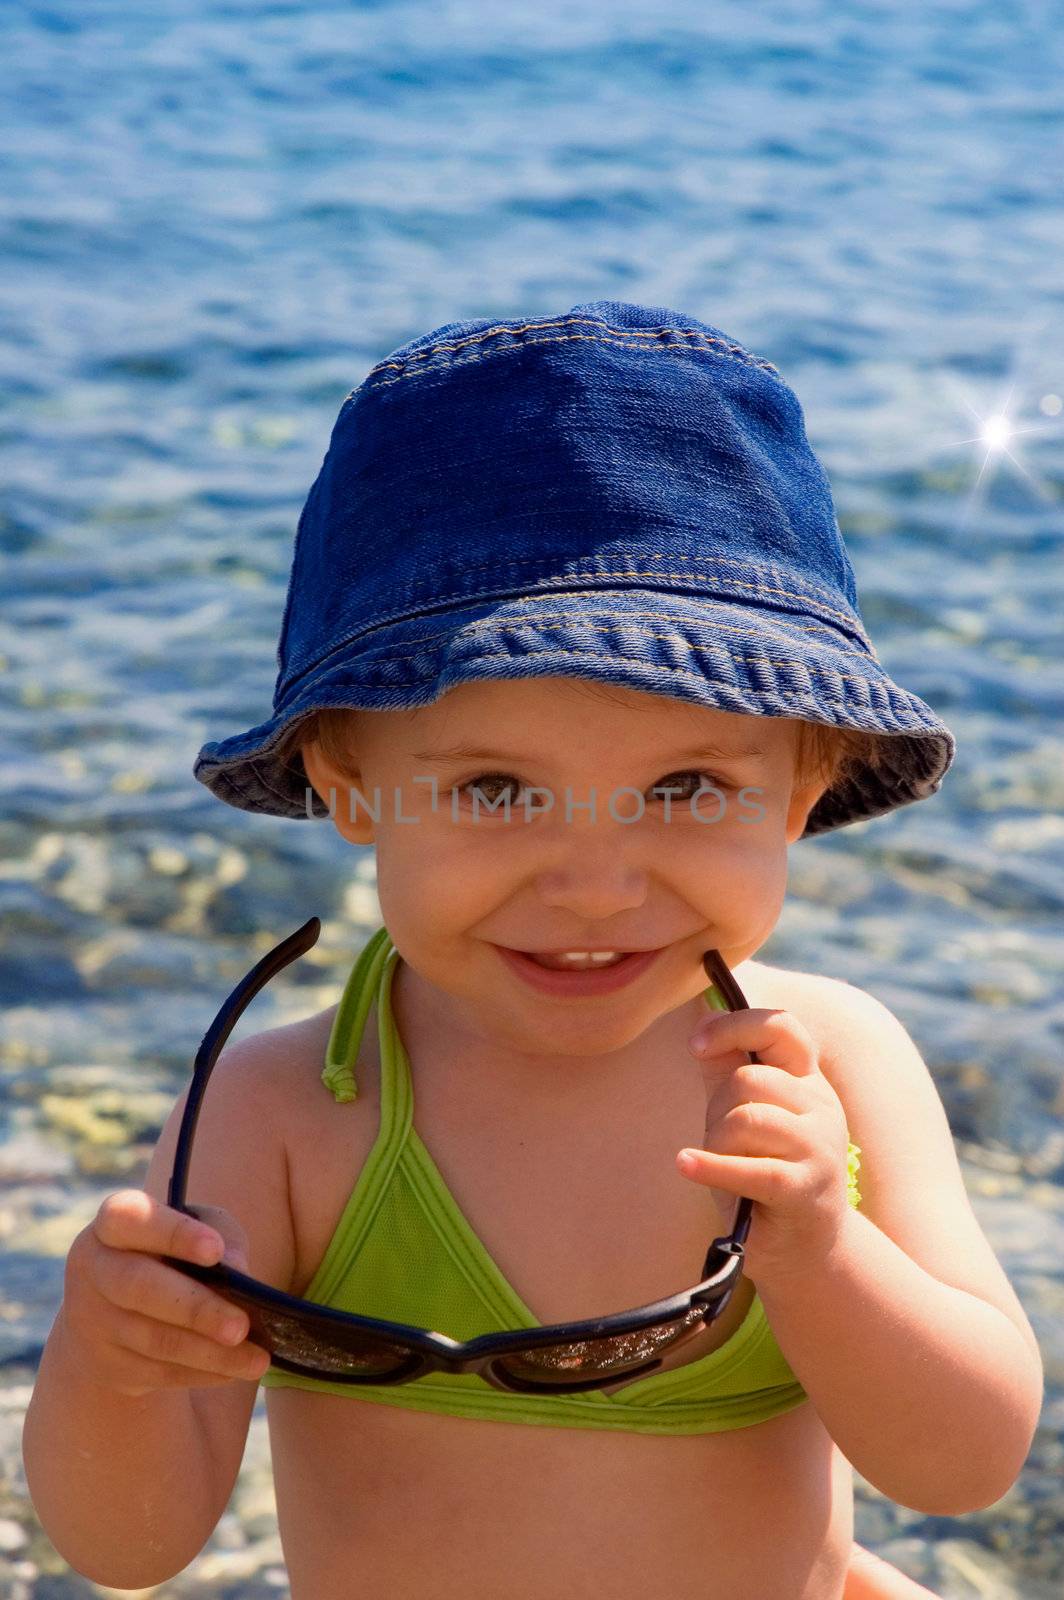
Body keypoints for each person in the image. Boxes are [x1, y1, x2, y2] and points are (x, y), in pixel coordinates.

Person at [23, 301, 1043, 1599]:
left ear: (803, 786)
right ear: (349, 783)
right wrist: (112, 1362)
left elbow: (966, 1465)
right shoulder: (284, 1115)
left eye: (685, 788)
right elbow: (129, 1546)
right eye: (497, 790)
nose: (597, 886)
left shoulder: (832, 1069)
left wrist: (826, 1257)